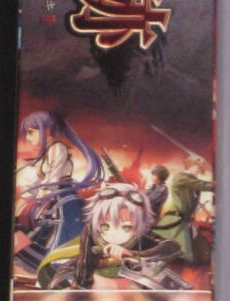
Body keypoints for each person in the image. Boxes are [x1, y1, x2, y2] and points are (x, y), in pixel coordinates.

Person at [36, 182, 178, 289]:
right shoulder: (91, 230)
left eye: (126, 227)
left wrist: (132, 254)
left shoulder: (140, 234)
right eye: (105, 226)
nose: (113, 234)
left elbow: (172, 246)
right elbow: (84, 266)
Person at [14, 111, 102, 269]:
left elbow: (52, 179)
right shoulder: (47, 151)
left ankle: (59, 267)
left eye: (31, 132)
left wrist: (42, 200)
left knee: (64, 238)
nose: (28, 137)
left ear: (45, 130)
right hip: (54, 200)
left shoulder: (57, 147)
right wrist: (29, 199)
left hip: (64, 201)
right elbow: (39, 182)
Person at [151, 154, 214, 265]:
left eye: (201, 169)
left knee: (199, 253)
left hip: (186, 220)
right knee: (169, 254)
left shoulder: (192, 179)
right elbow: (202, 185)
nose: (199, 171)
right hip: (175, 220)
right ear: (191, 166)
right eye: (198, 168)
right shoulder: (180, 178)